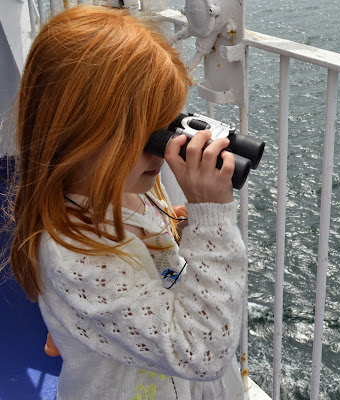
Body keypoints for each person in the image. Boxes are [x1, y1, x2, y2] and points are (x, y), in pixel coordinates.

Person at [10, 5, 246, 400]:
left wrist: (186, 227)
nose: (164, 148)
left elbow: (155, 257)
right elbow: (200, 355)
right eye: (148, 134)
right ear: (77, 134)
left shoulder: (132, 185)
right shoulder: (74, 252)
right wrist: (213, 221)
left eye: (167, 126)